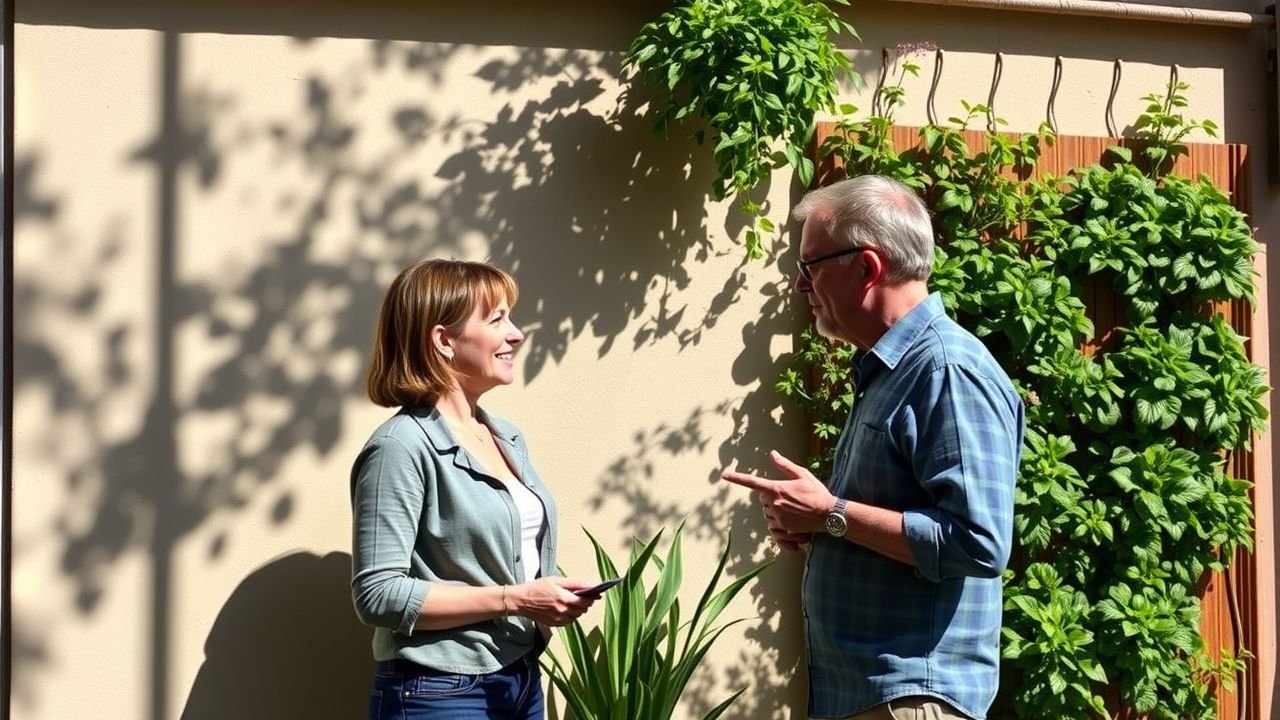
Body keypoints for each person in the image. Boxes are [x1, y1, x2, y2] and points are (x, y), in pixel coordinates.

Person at [721, 175, 1024, 720]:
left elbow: (978, 543)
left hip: (910, 698)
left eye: (809, 267)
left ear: (866, 267)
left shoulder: (947, 370)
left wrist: (832, 515)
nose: (800, 287)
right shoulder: (893, 369)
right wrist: (820, 523)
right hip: (872, 695)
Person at [350, 259, 600, 720]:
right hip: (440, 693)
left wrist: (546, 598)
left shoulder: (506, 436)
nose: (517, 334)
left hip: (520, 679)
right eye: (496, 318)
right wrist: (517, 599)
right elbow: (377, 594)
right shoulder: (400, 447)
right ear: (443, 340)